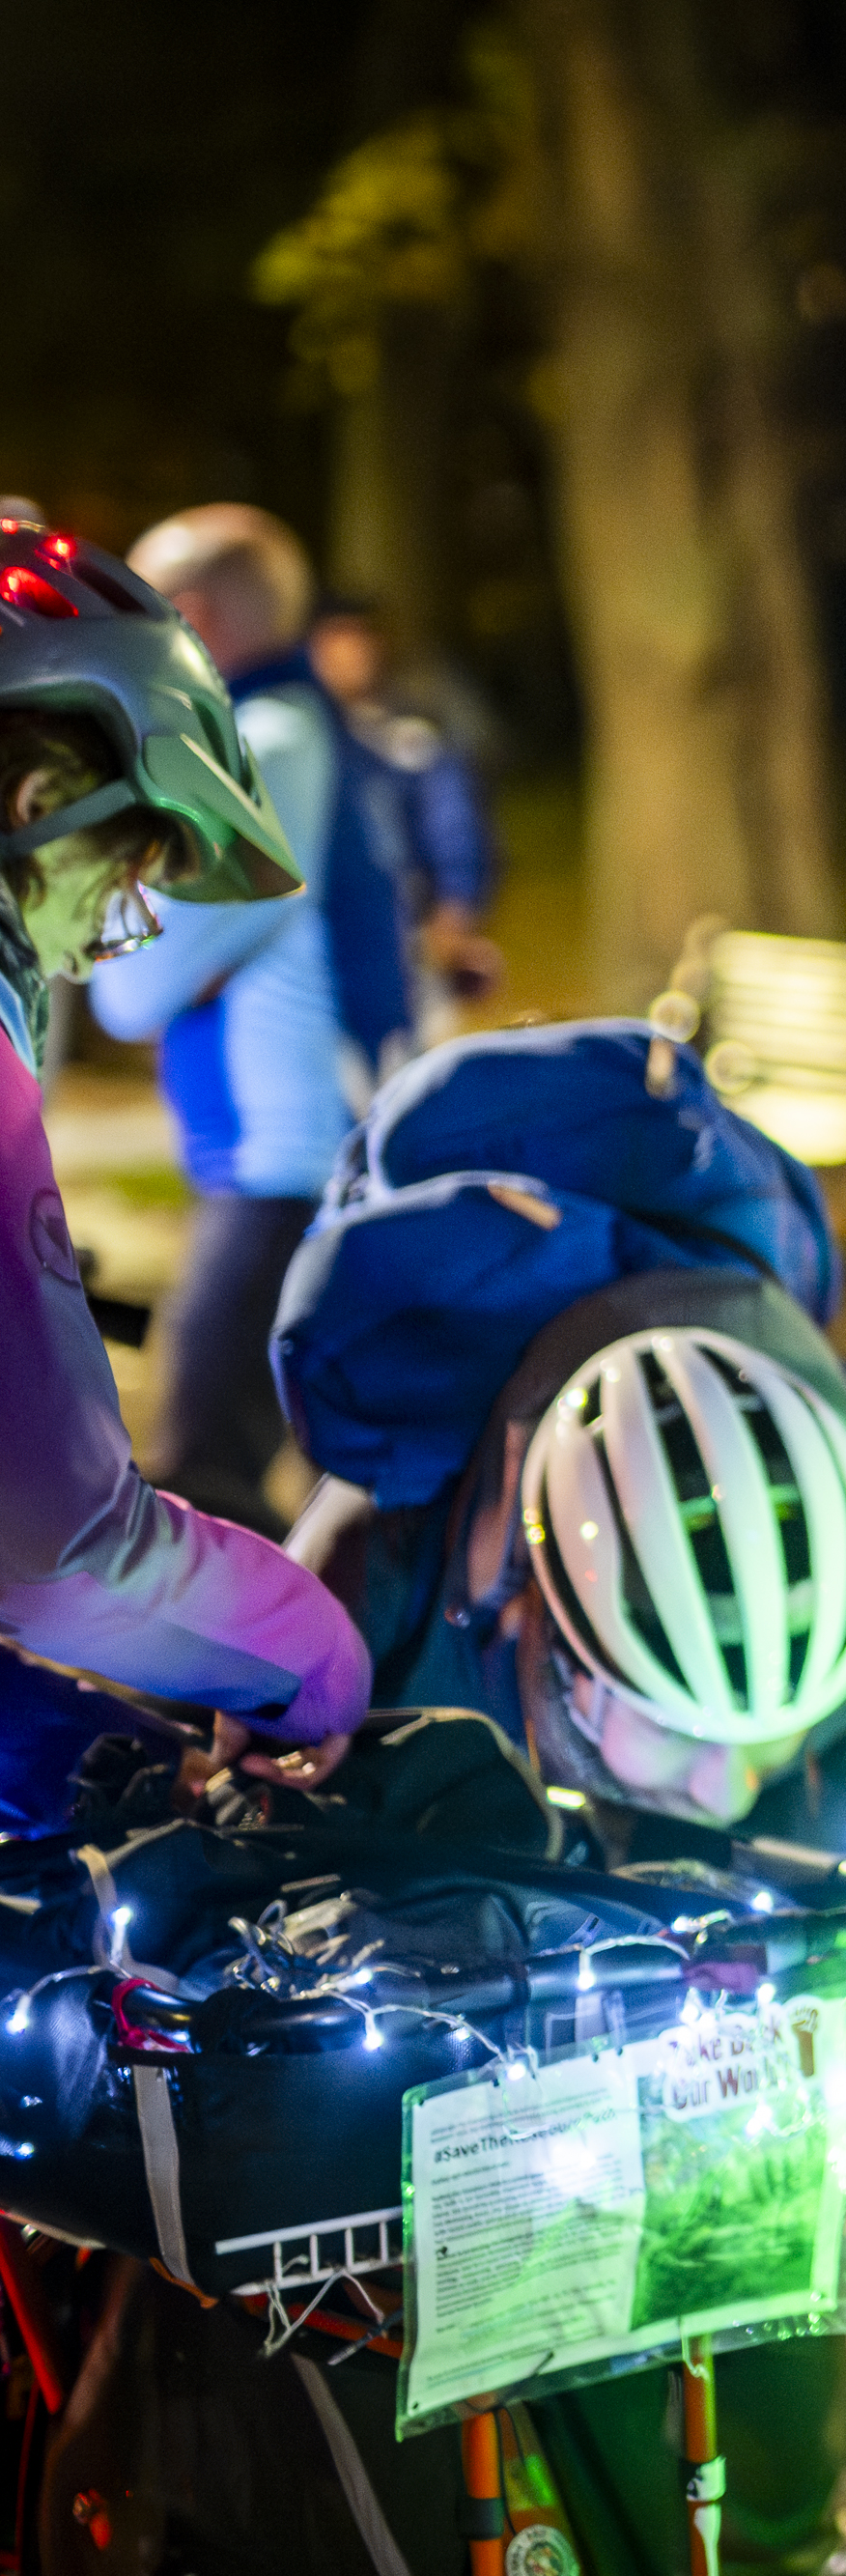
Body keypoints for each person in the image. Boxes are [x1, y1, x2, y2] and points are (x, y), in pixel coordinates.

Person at [277, 1020, 846, 1851]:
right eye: (679, 1727)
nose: (725, 1787)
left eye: (768, 1731)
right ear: (534, 1616)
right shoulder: (375, 1570)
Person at [0, 513, 370, 1800]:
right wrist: (317, 1657)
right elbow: (63, 1547)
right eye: (139, 856)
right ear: (40, 804)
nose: (138, 914)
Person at [85, 505, 411, 1536]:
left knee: (204, 1481)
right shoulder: (308, 730)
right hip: (295, 1150)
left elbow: (132, 984)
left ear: (186, 614)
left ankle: (237, 1691)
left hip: (281, 1159)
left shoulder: (260, 744)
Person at [307, 594, 505, 1026]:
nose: (347, 652)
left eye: (357, 637)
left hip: (412, 942)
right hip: (324, 948)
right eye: (332, 639)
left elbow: (456, 833)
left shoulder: (410, 737)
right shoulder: (302, 741)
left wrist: (454, 918)